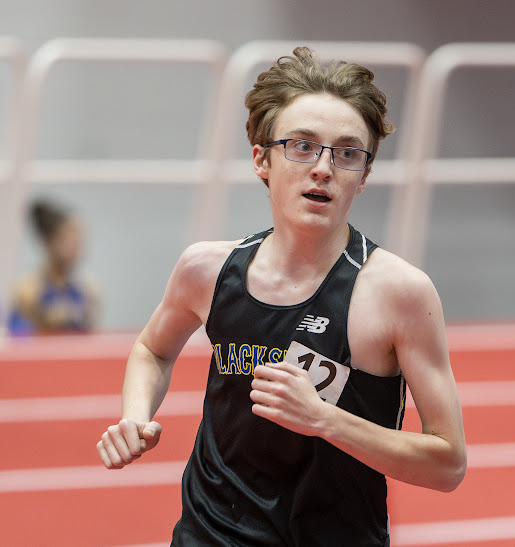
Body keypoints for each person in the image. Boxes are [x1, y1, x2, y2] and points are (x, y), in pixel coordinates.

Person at [96, 46, 466, 546]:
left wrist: (324, 420)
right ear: (261, 160)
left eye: (347, 152)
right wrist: (136, 415)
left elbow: (447, 464)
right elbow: (152, 349)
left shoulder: (398, 293)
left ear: (364, 176)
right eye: (303, 146)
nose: (323, 168)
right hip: (208, 534)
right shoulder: (206, 269)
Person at [8, 197, 100, 335]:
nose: (77, 245)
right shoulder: (27, 292)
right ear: (49, 241)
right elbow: (15, 340)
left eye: (79, 238)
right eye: (70, 238)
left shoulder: (88, 292)